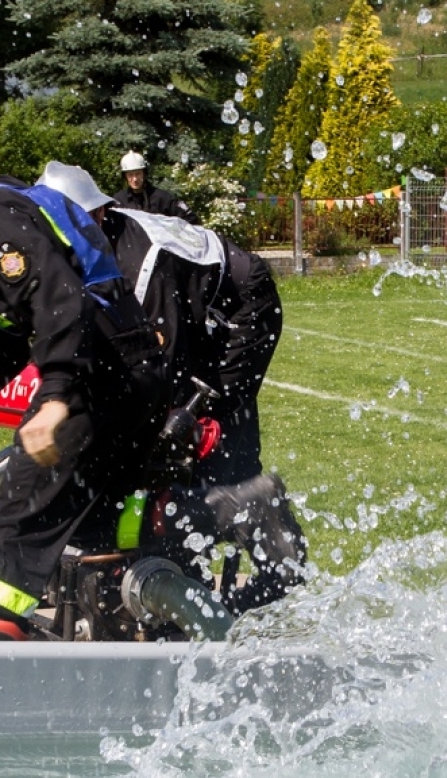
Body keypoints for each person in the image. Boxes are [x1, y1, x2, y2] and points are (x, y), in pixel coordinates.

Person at [0, 105, 176, 641]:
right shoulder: (4, 202)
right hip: (132, 377)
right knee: (88, 523)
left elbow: (59, 302)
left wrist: (55, 399)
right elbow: (14, 329)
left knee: (14, 522)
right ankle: (117, 637)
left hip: (98, 381)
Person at [36, 161, 305, 613]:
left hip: (243, 314)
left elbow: (163, 359)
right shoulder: (95, 248)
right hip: (196, 313)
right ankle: (185, 570)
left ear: (95, 218)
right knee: (160, 442)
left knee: (194, 434)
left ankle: (273, 566)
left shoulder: (144, 262)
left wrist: (190, 414)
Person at [112, 151, 198, 222]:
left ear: (144, 174)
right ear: (125, 177)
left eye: (138, 174)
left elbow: (190, 218)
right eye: (130, 175)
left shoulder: (162, 198)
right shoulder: (119, 201)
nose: (134, 179)